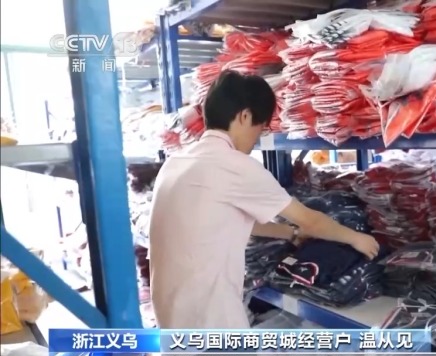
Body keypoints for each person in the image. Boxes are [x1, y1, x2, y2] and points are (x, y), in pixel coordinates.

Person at [148, 70, 380, 329]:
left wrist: (290, 233)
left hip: (171, 319)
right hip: (211, 320)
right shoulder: (233, 165)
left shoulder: (177, 162)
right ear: (245, 116)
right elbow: (310, 220)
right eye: (261, 128)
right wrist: (356, 238)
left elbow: (223, 220)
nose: (257, 138)